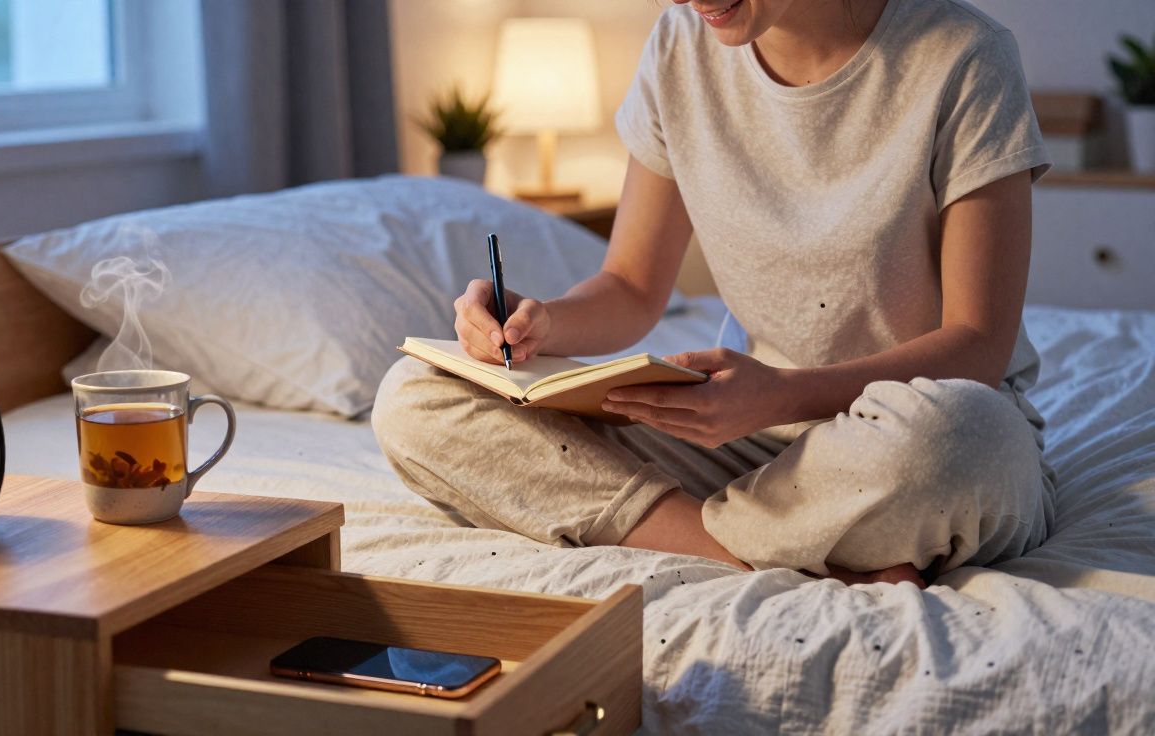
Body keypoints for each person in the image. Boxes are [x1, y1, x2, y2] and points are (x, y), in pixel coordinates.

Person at [373, 0, 1056, 587]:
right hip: (747, 441)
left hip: (901, 432)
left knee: (959, 440)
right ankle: (746, 549)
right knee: (415, 397)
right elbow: (632, 287)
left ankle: (708, 532)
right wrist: (543, 322)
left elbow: (978, 346)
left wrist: (782, 394)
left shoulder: (964, 56)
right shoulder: (679, 46)